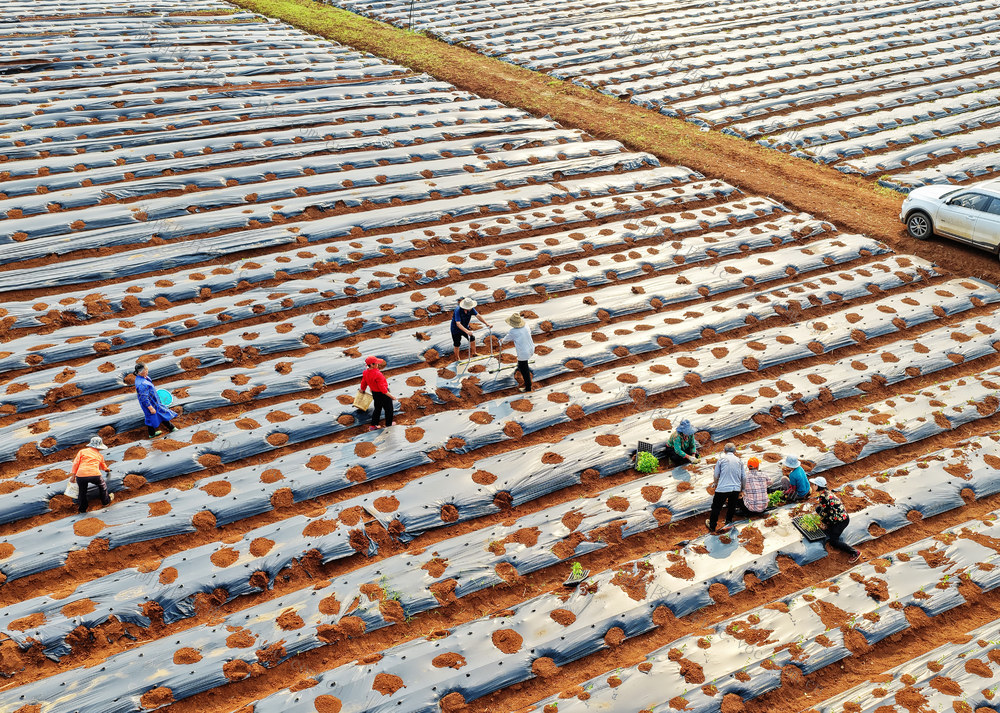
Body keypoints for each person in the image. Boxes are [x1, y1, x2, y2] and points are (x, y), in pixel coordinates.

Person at [813, 476, 862, 563]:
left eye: (814, 484)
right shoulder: (826, 492)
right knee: (818, 509)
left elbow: (824, 513)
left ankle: (855, 552)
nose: (813, 486)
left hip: (841, 521)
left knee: (833, 541)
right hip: (839, 516)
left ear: (818, 486)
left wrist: (822, 523)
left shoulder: (823, 497)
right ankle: (829, 525)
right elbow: (825, 509)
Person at [134, 363, 178, 438]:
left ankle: (154, 433)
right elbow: (144, 398)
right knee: (153, 417)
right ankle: (170, 428)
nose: (147, 371)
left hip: (154, 401)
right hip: (151, 404)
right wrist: (150, 408)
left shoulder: (143, 378)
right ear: (141, 372)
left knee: (158, 415)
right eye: (146, 370)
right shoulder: (142, 384)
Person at [71, 436, 114, 512]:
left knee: (82, 492)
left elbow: (76, 463)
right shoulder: (100, 456)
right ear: (100, 446)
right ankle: (105, 501)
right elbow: (103, 465)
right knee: (102, 486)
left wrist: (73, 476)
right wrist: (107, 470)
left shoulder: (82, 452)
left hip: (81, 476)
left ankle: (82, 508)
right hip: (95, 475)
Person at [708, 443, 742, 534]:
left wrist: (715, 483)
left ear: (724, 451)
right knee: (732, 506)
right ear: (735, 451)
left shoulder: (721, 460)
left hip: (723, 488)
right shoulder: (739, 461)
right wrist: (743, 489)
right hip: (735, 488)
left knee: (716, 507)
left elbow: (716, 474)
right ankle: (728, 522)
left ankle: (712, 526)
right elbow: (743, 477)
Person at [359, 356, 397, 431]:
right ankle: (388, 424)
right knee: (389, 409)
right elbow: (382, 389)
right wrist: (391, 396)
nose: (378, 365)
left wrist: (362, 389)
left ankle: (373, 425)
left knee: (377, 409)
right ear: (372, 365)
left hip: (375, 394)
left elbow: (364, 382)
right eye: (376, 363)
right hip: (383, 394)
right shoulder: (378, 374)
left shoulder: (365, 372)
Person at [500, 313, 534, 392]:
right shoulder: (526, 326)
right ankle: (519, 367)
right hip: (531, 348)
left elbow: (504, 341)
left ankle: (528, 388)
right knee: (522, 365)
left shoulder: (513, 331)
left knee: (524, 369)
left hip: (523, 353)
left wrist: (502, 340)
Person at [451, 297, 492, 362]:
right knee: (457, 344)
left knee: (472, 338)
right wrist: (467, 331)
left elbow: (478, 316)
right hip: (456, 329)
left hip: (465, 326)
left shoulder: (471, 309)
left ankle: (474, 353)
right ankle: (457, 359)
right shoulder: (458, 310)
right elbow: (458, 324)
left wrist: (487, 323)